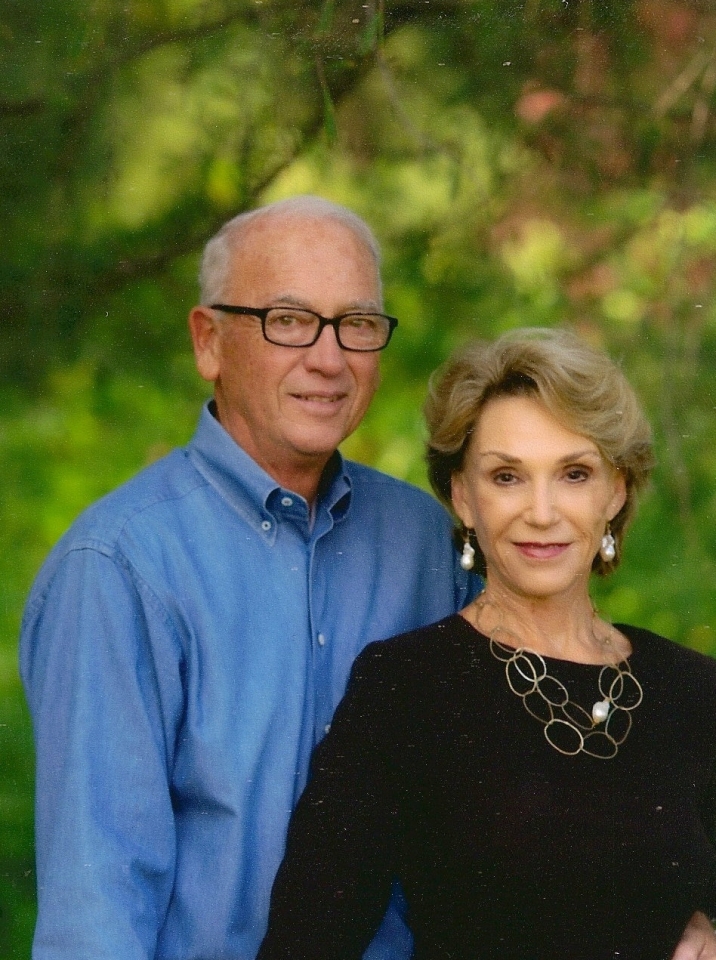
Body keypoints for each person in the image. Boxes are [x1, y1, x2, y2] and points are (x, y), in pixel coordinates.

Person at [19, 196, 475, 960]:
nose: (328, 359)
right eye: (289, 320)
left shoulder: (429, 546)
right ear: (209, 342)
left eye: (356, 324)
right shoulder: (118, 566)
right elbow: (97, 905)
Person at [258, 327, 716, 960]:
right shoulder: (407, 686)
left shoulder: (694, 690)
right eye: (507, 477)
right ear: (462, 496)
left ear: (615, 491)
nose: (542, 511)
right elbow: (305, 941)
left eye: (574, 473)